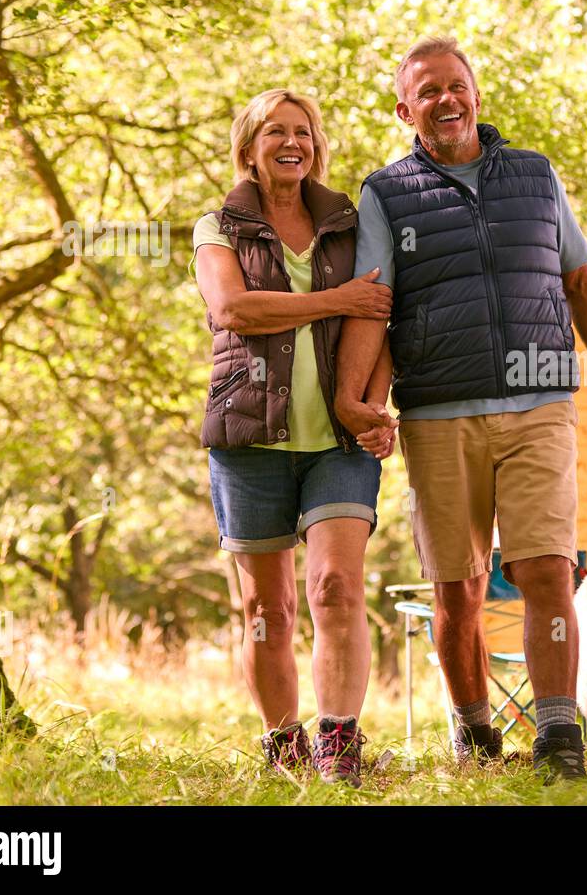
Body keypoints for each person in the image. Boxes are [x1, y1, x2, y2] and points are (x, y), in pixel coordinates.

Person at [335, 37, 587, 782]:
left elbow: (579, 277)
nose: (445, 100)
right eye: (427, 92)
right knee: (458, 586)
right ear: (405, 109)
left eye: (456, 86)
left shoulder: (536, 176)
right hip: (440, 411)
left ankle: (559, 735)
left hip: (540, 403)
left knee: (546, 573)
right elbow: (374, 305)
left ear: (476, 94)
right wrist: (360, 401)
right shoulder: (387, 192)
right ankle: (474, 728)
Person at [191, 88, 395, 786]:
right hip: (249, 439)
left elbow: (383, 316)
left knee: (336, 587)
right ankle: (284, 748)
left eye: (303, 132)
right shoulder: (217, 226)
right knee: (264, 608)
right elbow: (233, 308)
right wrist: (336, 300)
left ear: (317, 145)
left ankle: (339, 742)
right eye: (275, 131)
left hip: (336, 443)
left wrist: (369, 404)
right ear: (248, 147)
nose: (292, 142)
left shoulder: (350, 221)